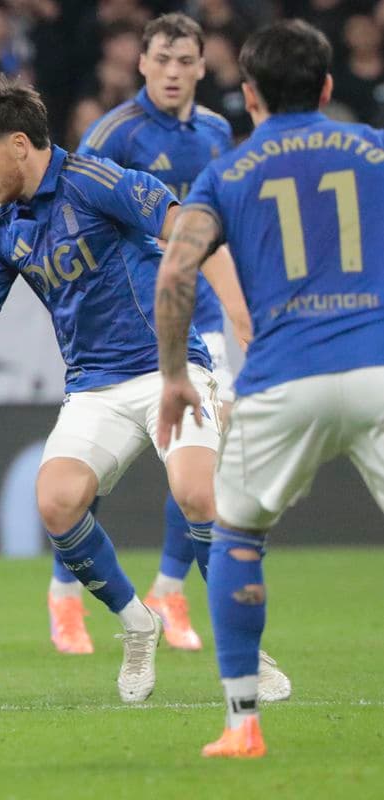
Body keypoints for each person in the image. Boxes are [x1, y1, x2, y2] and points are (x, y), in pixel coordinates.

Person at [0, 75, 232, 704]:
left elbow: (184, 226)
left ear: (18, 144)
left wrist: (218, 307)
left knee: (195, 492)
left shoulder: (98, 182)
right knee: (56, 502)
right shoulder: (1, 232)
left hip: (170, 369)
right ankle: (139, 625)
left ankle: (245, 652)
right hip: (93, 388)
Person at [155, 20, 384, 758]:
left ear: (247, 95)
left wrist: (170, 378)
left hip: (283, 378)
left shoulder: (224, 173)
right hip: (378, 368)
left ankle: (241, 724)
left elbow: (175, 272)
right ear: (324, 87)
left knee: (237, 536)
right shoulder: (375, 152)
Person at [47, 13, 245, 657]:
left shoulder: (216, 131)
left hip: (206, 316)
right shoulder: (116, 133)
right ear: (141, 63)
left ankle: (168, 587)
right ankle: (66, 595)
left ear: (202, 66)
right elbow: (77, 216)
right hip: (131, 321)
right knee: (94, 471)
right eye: (162, 59)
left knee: (198, 464)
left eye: (185, 61)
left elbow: (220, 223)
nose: (173, 72)